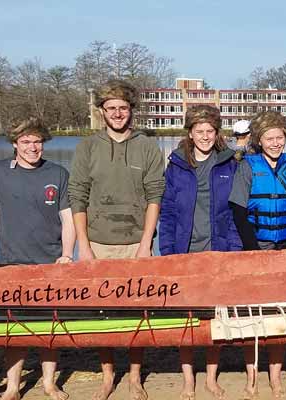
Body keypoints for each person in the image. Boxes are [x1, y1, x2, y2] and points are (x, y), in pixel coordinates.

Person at [68, 79, 166, 400]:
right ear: (102, 112)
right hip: (97, 241)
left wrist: (145, 244)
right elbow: (78, 196)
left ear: (131, 111)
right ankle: (108, 375)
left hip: (135, 241)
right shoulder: (88, 147)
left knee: (138, 312)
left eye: (123, 108)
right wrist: (83, 245)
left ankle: (135, 375)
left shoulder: (146, 146)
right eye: (111, 108)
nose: (118, 113)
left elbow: (155, 196)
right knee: (103, 314)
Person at [0, 118, 74, 400]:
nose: (33, 147)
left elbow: (68, 219)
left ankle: (49, 383)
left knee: (49, 328)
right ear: (15, 144)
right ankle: (14, 387)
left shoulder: (58, 173)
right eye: (26, 142)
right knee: (14, 328)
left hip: (50, 262)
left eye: (37, 142)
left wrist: (67, 254)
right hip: (12, 262)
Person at [228, 110, 286, 398]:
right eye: (269, 138)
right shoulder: (248, 166)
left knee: (279, 314)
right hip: (257, 246)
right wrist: (253, 250)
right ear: (259, 139)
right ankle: (252, 375)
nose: (275, 142)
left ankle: (275, 376)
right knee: (252, 313)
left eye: (280, 137)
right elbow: (239, 210)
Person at [157, 105, 241, 400]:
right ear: (190, 133)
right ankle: (189, 380)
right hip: (185, 251)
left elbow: (235, 212)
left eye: (210, 131)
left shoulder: (230, 164)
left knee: (214, 319)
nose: (205, 136)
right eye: (199, 131)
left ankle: (212, 378)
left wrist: (233, 249)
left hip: (217, 251)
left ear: (217, 133)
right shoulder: (177, 165)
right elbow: (167, 212)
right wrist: (167, 250)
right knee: (187, 320)